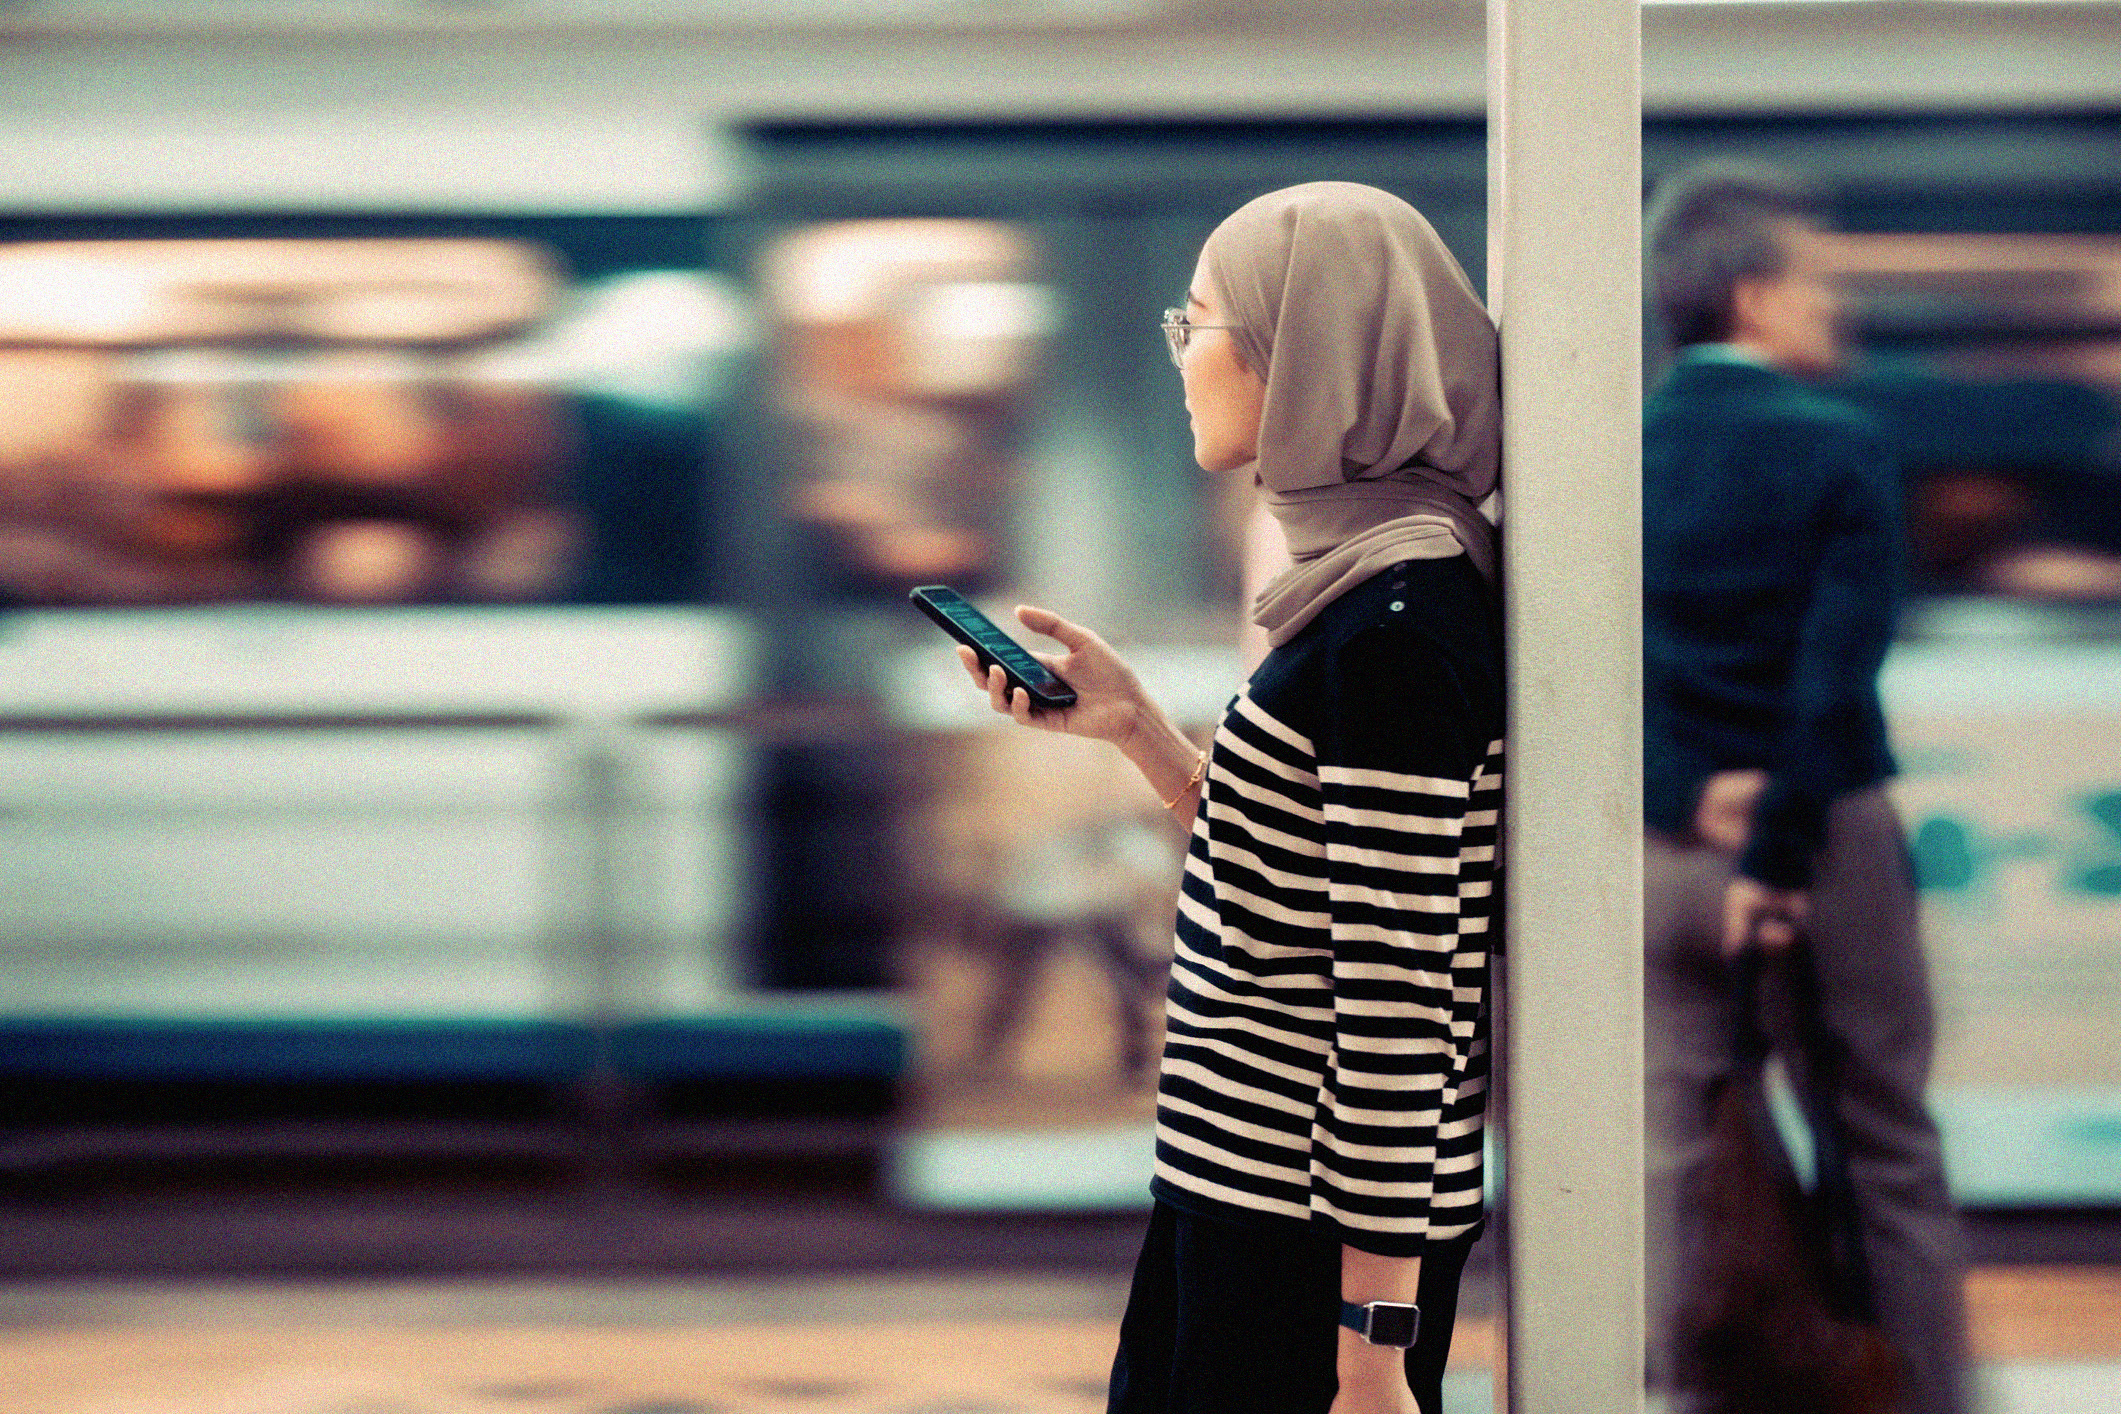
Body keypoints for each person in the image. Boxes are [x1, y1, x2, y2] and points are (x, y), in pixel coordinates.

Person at [957, 182, 1503, 1414]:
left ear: (1302, 350)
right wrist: (1139, 730)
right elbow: (1303, 887)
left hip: (1296, 1254)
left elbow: (1401, 1004)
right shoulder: (1363, 585)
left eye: (1196, 323)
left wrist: (1371, 1351)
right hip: (1245, 1204)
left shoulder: (1398, 625)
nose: (1182, 358)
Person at [1639, 165, 1971, 1414]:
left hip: (1664, 849)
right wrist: (1775, 853)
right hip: (1823, 843)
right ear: (1757, 294)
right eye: (1819, 282)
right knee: (1884, 1149)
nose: (1835, 308)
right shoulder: (1837, 446)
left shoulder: (1620, 452)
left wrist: (1687, 794)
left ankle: (1685, 1394)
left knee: (1676, 1166)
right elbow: (1831, 685)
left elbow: (1588, 665)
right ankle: (1920, 1397)